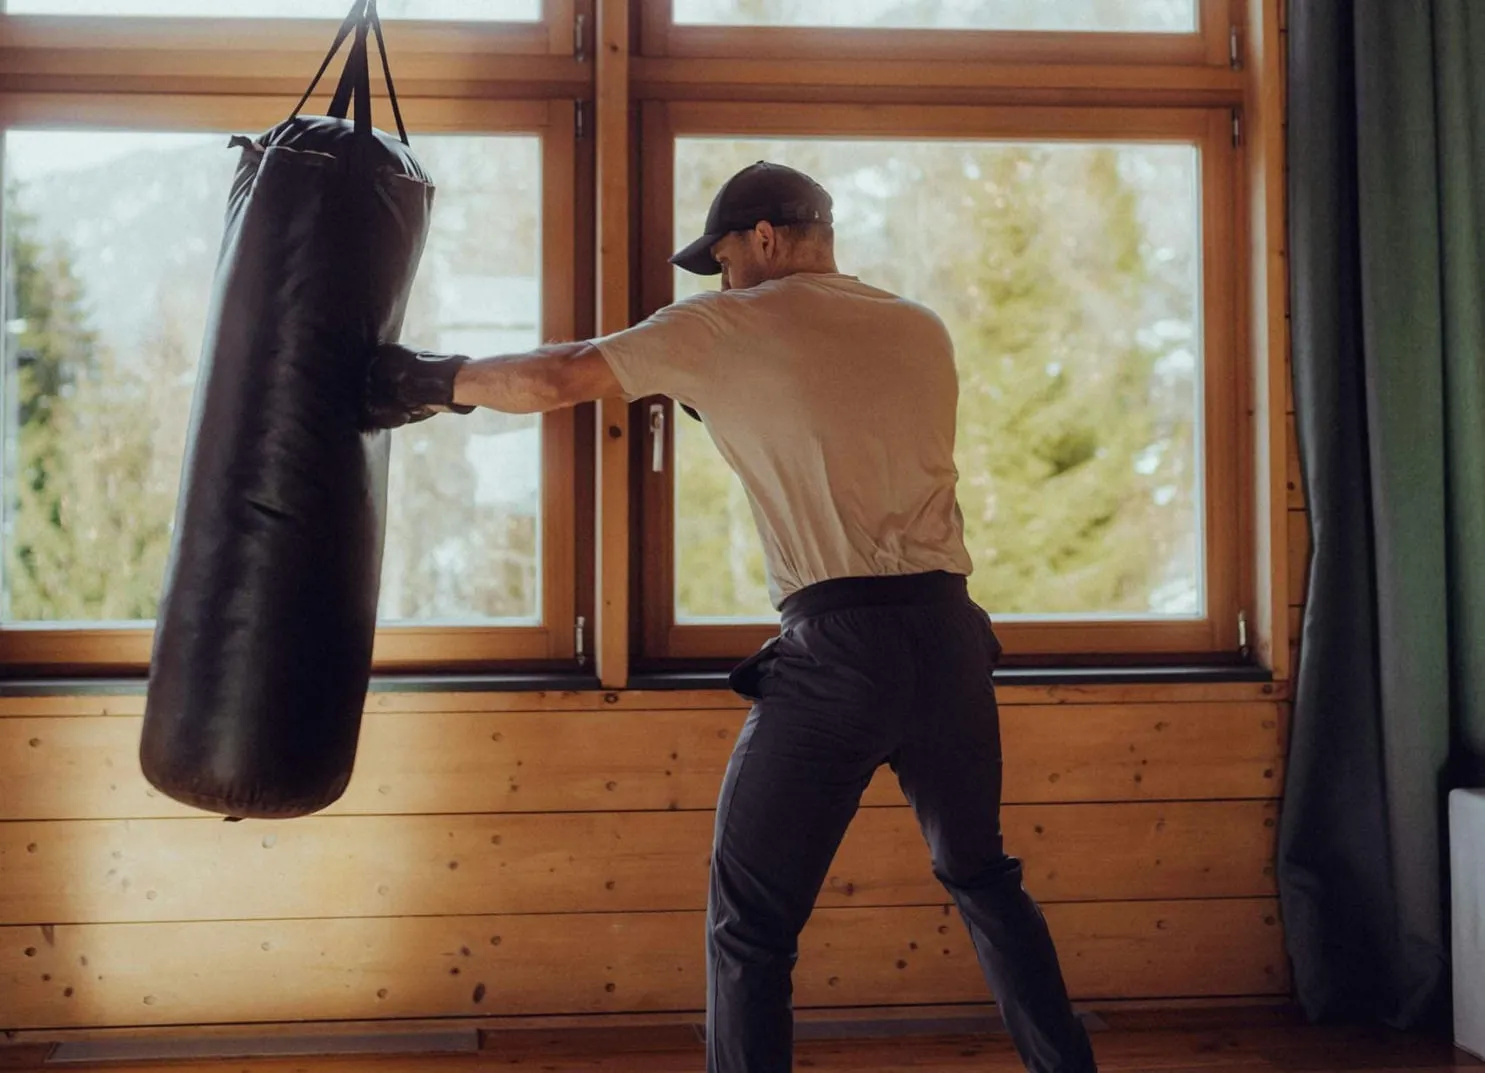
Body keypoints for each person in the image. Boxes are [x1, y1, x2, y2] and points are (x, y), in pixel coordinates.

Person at [363, 161, 1099, 1073]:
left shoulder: (727, 324)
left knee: (750, 923)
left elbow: (556, 379)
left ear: (762, 238)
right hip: (949, 638)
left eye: (721, 260)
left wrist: (415, 380)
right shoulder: (919, 326)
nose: (719, 282)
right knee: (982, 875)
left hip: (839, 649)